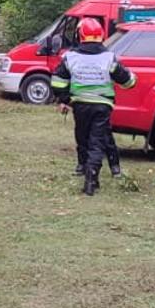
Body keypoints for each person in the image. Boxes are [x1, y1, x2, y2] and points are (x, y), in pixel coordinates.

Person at [50, 17, 135, 196]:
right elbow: (127, 81)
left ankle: (84, 168)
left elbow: (57, 82)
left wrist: (65, 99)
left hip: (80, 105)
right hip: (102, 105)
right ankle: (92, 178)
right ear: (101, 36)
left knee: (83, 137)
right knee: (97, 142)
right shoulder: (108, 57)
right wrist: (131, 78)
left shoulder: (70, 57)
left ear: (80, 36)